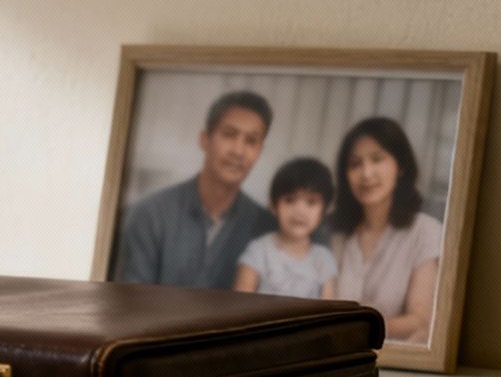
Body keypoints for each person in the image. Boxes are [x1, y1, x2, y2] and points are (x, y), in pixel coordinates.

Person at [114, 90, 277, 289]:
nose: (238, 151)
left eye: (251, 141)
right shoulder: (150, 214)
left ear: (260, 151)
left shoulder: (267, 230)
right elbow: (129, 300)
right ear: (204, 139)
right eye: (229, 135)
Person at [330, 117, 441, 345]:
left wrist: (354, 330)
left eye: (377, 159)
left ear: (400, 166)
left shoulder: (425, 231)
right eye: (355, 164)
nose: (366, 173)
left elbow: (420, 321)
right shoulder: (335, 233)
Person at [232, 157, 338, 299]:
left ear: (323, 212)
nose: (300, 211)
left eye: (311, 202)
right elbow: (239, 302)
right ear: (273, 206)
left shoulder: (324, 259)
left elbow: (329, 308)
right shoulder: (258, 251)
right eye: (290, 200)